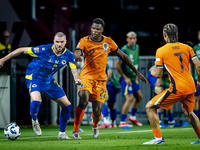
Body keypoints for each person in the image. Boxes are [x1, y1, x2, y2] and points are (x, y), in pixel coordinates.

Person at [72, 18, 149, 139]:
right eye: (93, 28)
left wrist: (137, 72)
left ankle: (95, 125)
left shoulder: (108, 42)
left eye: (98, 29)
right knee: (83, 98)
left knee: (97, 112)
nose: (95, 31)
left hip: (101, 80)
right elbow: (77, 51)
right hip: (86, 76)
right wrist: (77, 57)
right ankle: (75, 130)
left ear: (102, 30)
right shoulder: (84, 41)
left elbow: (123, 56)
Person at [0, 32, 82, 139]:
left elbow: (74, 71)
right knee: (37, 101)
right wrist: (2, 60)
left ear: (65, 42)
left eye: (62, 42)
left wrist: (77, 79)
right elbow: (21, 50)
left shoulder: (69, 55)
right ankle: (34, 120)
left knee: (67, 106)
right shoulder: (44, 50)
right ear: (54, 41)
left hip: (48, 81)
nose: (59, 44)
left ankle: (62, 133)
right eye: (57, 42)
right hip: (34, 77)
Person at [144, 23, 200, 145]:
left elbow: (159, 74)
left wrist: (152, 72)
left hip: (177, 87)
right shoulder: (187, 47)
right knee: (189, 113)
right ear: (177, 34)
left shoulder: (161, 51)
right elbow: (198, 64)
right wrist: (199, 81)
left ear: (164, 35)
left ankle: (158, 138)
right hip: (190, 85)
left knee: (150, 107)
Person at [115, 31, 143, 127]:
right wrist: (125, 77)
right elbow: (117, 66)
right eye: (130, 38)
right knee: (130, 98)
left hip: (133, 78)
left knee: (139, 96)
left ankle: (133, 118)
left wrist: (136, 76)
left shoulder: (137, 47)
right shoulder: (123, 50)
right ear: (127, 39)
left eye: (134, 38)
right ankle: (122, 121)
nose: (132, 40)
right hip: (126, 78)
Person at [99, 63, 121, 128]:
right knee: (111, 106)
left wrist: (104, 83)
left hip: (110, 85)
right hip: (115, 86)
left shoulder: (101, 61)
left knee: (101, 101)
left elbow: (109, 71)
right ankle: (113, 123)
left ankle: (106, 122)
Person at [193, 30, 200, 118]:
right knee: (196, 98)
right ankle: (196, 119)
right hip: (196, 76)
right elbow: (191, 63)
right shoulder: (195, 48)